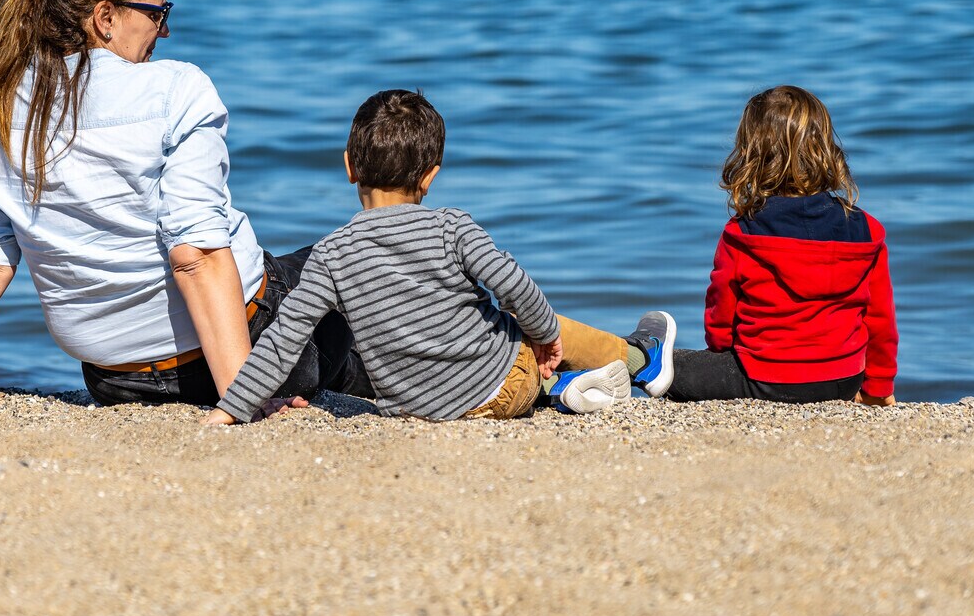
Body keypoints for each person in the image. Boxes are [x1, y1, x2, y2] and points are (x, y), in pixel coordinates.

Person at [0, 0, 356, 413]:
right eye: (158, 13)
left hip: (117, 383)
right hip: (246, 353)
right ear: (106, 18)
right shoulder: (176, 89)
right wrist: (239, 401)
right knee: (358, 261)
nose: (166, 29)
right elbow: (196, 255)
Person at [207, 90, 678, 425]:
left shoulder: (330, 255)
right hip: (502, 387)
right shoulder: (452, 227)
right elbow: (516, 287)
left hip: (418, 410)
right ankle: (638, 362)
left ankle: (566, 388)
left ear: (349, 166)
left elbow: (286, 336)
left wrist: (234, 405)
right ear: (430, 177)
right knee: (538, 327)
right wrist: (546, 336)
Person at [666, 86, 897, 405]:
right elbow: (881, 319)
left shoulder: (743, 232)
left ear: (751, 155)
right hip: (844, 380)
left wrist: (722, 357)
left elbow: (721, 311)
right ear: (825, 148)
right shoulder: (867, 230)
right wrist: (879, 388)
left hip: (765, 379)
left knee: (669, 367)